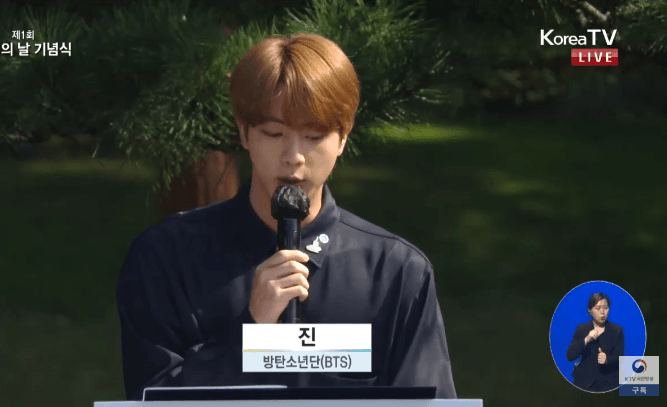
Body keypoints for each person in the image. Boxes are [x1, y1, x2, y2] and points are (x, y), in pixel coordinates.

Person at [117, 33, 457, 400]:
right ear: (244, 132)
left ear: (343, 137)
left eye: (313, 136)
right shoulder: (166, 258)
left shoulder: (396, 273)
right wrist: (252, 334)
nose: (293, 156)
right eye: (274, 133)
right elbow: (152, 396)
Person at [566, 292, 624, 392]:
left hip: (608, 383)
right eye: (598, 308)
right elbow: (570, 356)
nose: (602, 312)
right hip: (583, 382)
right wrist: (587, 339)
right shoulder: (582, 329)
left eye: (605, 308)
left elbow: (621, 359)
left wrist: (607, 359)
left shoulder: (617, 330)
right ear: (590, 310)